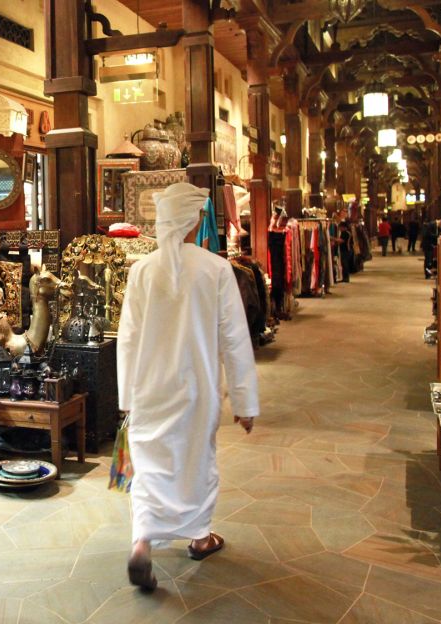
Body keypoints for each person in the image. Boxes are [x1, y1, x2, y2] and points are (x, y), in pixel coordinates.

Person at [116, 182, 260, 591]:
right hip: (197, 389)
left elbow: (127, 338)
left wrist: (127, 396)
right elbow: (234, 337)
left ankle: (142, 543)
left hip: (148, 388)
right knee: (196, 461)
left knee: (149, 466)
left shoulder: (141, 270)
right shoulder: (215, 269)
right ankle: (199, 536)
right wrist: (245, 400)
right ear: (195, 221)